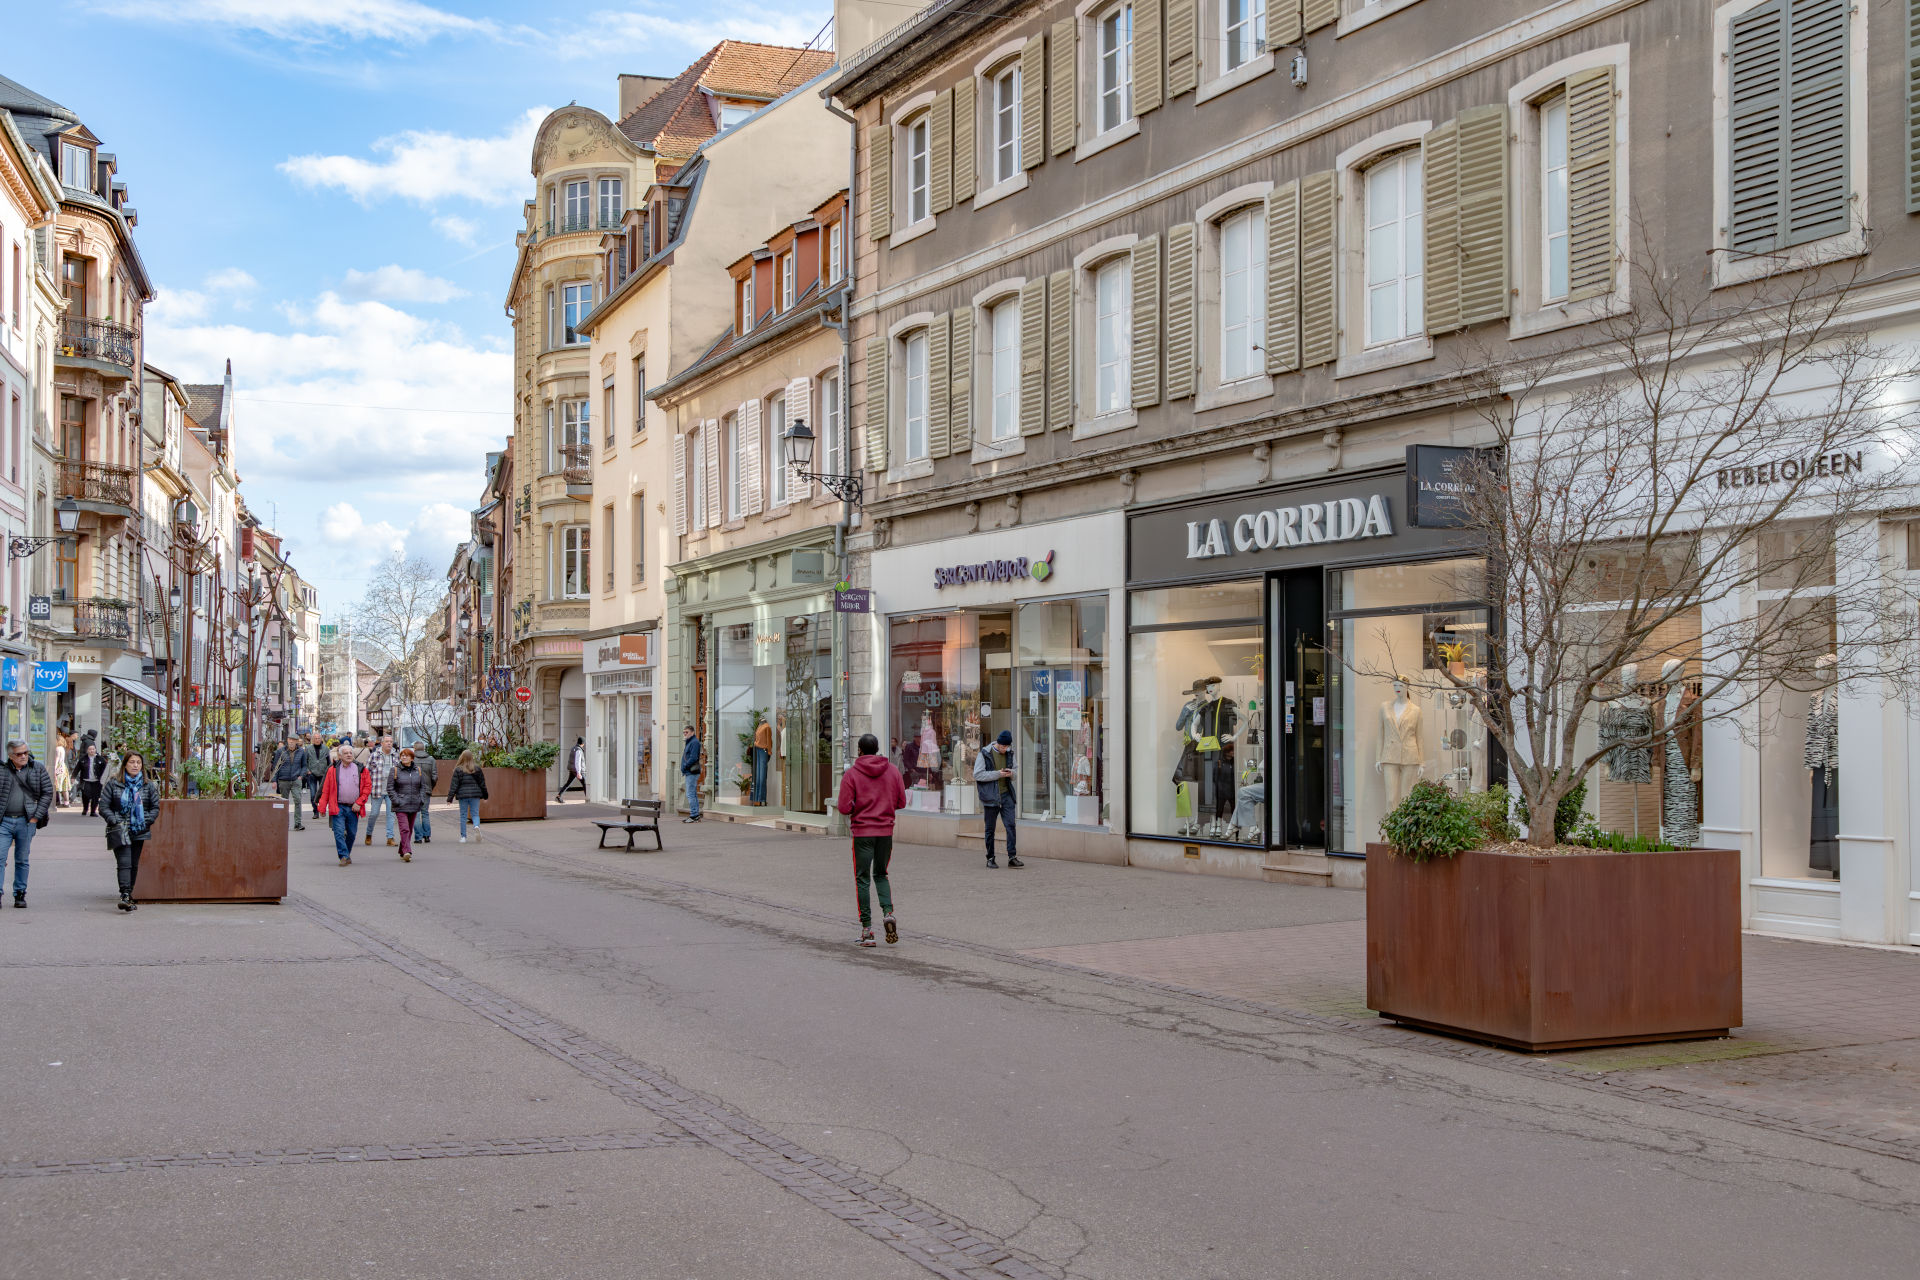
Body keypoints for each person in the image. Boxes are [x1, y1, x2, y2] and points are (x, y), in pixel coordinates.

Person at [836, 733, 907, 947]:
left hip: (863, 833)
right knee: (881, 874)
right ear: (877, 749)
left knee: (863, 878)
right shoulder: (893, 771)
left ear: (859, 750)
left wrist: (860, 807)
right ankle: (888, 912)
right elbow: (901, 802)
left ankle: (867, 929)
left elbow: (843, 807)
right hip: (885, 831)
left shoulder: (852, 774)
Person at [101, 751, 159, 912]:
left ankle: (129, 894)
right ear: (125, 764)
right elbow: (104, 807)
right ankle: (125, 895)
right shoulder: (114, 783)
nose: (135, 765)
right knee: (124, 863)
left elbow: (155, 807)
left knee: (133, 864)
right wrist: (115, 821)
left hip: (139, 829)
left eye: (138, 763)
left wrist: (146, 821)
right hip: (120, 829)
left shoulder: (148, 785)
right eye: (132, 762)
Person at [0, 739, 51, 907]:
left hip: (26, 821)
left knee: (22, 859)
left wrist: (36, 817)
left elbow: (47, 792)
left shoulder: (37, 769)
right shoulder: (3, 770)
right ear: (10, 755)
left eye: (25, 753)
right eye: (19, 754)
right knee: (0, 858)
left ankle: (20, 894)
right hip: (4, 822)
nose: (23, 756)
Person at [973, 730, 1024, 869]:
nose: (1004, 750)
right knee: (990, 829)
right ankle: (990, 858)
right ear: (997, 743)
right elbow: (977, 774)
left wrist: (1011, 773)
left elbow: (1016, 771)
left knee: (1011, 826)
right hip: (991, 796)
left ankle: (1012, 857)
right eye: (1003, 747)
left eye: (1007, 747)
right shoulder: (985, 753)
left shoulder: (1010, 753)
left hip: (1006, 794)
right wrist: (998, 774)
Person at [317, 744, 371, 866]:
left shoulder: (361, 769)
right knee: (339, 832)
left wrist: (359, 802)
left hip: (354, 807)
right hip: (338, 806)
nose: (349, 755)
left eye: (350, 753)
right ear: (339, 756)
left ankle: (346, 853)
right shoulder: (333, 770)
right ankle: (343, 856)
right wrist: (322, 807)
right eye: (346, 753)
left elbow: (367, 787)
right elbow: (326, 789)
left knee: (351, 833)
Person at [389, 747, 429, 862]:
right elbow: (390, 788)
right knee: (405, 828)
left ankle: (402, 849)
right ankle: (407, 851)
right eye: (402, 755)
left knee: (410, 829)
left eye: (406, 755)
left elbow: (423, 787)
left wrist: (421, 799)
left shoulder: (418, 770)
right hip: (400, 805)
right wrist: (397, 800)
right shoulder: (395, 770)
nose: (404, 757)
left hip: (414, 804)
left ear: (412, 758)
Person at [365, 734, 399, 847]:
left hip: (391, 790)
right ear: (382, 743)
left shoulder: (396, 756)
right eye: (387, 741)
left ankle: (390, 837)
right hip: (377, 789)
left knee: (391, 814)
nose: (389, 743)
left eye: (391, 741)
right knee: (374, 813)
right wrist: (367, 786)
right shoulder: (374, 755)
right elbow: (366, 772)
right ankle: (369, 834)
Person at [448, 748, 487, 842]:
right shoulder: (477, 769)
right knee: (475, 813)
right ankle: (476, 825)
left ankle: (463, 837)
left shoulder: (458, 769)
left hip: (463, 795)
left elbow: (454, 785)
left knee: (463, 815)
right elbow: (482, 783)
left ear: (462, 757)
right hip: (475, 795)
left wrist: (450, 798)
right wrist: (485, 796)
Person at [269, 734, 308, 830]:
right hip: (283, 780)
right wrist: (274, 780)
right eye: (290, 739)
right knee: (283, 803)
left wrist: (301, 776)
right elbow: (275, 766)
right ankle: (283, 823)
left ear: (297, 741)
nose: (291, 741)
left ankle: (298, 823)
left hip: (296, 780)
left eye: (293, 740)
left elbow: (304, 765)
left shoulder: (301, 752)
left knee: (298, 800)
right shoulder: (280, 751)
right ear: (287, 740)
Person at [75, 741, 108, 816]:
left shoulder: (100, 759)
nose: (92, 751)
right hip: (86, 780)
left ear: (95, 750)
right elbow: (77, 768)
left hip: (97, 781)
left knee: (95, 796)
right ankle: (85, 808)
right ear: (87, 750)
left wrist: (105, 778)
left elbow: (105, 770)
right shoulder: (83, 759)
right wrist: (73, 777)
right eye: (90, 749)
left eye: (93, 749)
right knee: (86, 795)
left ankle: (93, 811)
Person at [679, 725, 703, 823]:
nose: (685, 734)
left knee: (690, 794)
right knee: (692, 794)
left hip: (692, 772)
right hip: (689, 772)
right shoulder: (690, 742)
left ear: (692, 732)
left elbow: (693, 758)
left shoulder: (694, 742)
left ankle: (694, 815)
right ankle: (695, 815)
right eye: (684, 732)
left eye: (687, 732)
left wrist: (685, 766)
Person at [414, 750, 437, 844]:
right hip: (427, 789)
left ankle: (418, 837)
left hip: (414, 790)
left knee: (416, 814)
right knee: (425, 813)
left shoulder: (412, 759)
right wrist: (431, 786)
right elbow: (435, 776)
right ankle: (427, 835)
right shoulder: (431, 760)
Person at [557, 736, 586, 801]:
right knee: (585, 784)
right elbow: (577, 762)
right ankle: (588, 798)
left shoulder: (574, 748)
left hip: (572, 769)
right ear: (583, 743)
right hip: (577, 770)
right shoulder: (579, 750)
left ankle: (558, 796)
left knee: (568, 783)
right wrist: (578, 772)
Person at [751, 717, 773, 805]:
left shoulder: (766, 727)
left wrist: (769, 751)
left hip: (763, 750)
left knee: (762, 775)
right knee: (759, 775)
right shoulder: (761, 726)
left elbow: (768, 740)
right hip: (759, 750)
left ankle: (761, 798)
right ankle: (758, 798)